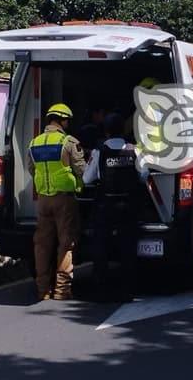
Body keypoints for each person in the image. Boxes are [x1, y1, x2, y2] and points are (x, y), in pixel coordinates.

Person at [28, 103, 86, 301]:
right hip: (64, 200)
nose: (68, 123)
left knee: (42, 245)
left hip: (43, 200)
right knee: (66, 244)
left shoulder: (34, 143)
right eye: (67, 120)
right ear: (62, 120)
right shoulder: (68, 141)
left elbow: (31, 169)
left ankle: (43, 290)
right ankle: (62, 290)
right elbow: (82, 170)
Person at [83, 113, 140, 294]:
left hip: (106, 205)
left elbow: (86, 178)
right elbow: (143, 175)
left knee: (101, 245)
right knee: (128, 247)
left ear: (106, 131)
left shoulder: (99, 151)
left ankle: (101, 286)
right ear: (123, 130)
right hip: (128, 205)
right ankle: (127, 287)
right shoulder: (134, 149)